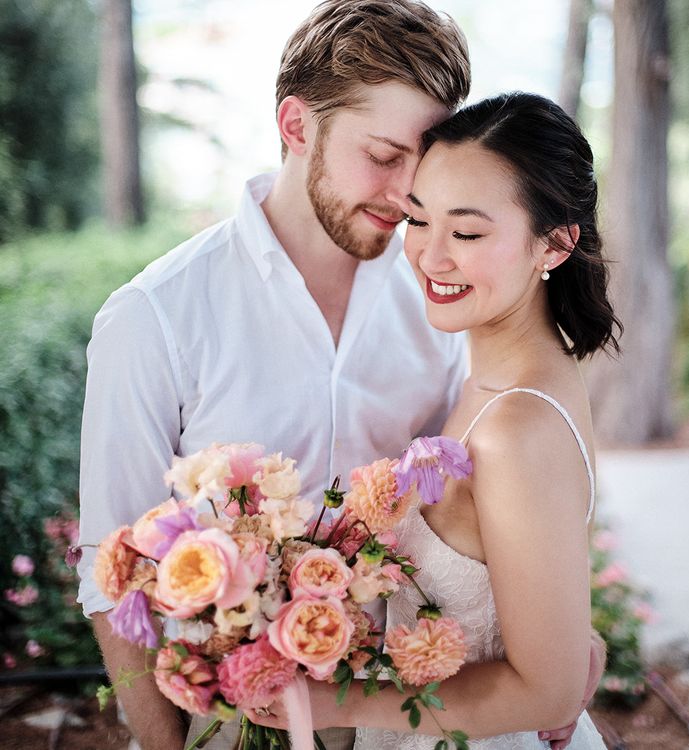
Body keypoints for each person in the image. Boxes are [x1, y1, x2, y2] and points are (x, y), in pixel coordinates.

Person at [76, 0, 601, 747]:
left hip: (419, 720)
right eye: (384, 156)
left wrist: (559, 636)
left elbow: (510, 504)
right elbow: (112, 563)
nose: (403, 195)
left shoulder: (444, 295)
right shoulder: (153, 318)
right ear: (296, 127)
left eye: (422, 166)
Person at [250, 91, 620, 749]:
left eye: (469, 233)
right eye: (418, 220)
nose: (430, 256)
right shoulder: (498, 373)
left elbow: (549, 690)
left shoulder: (515, 426)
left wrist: (336, 703)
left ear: (556, 244)